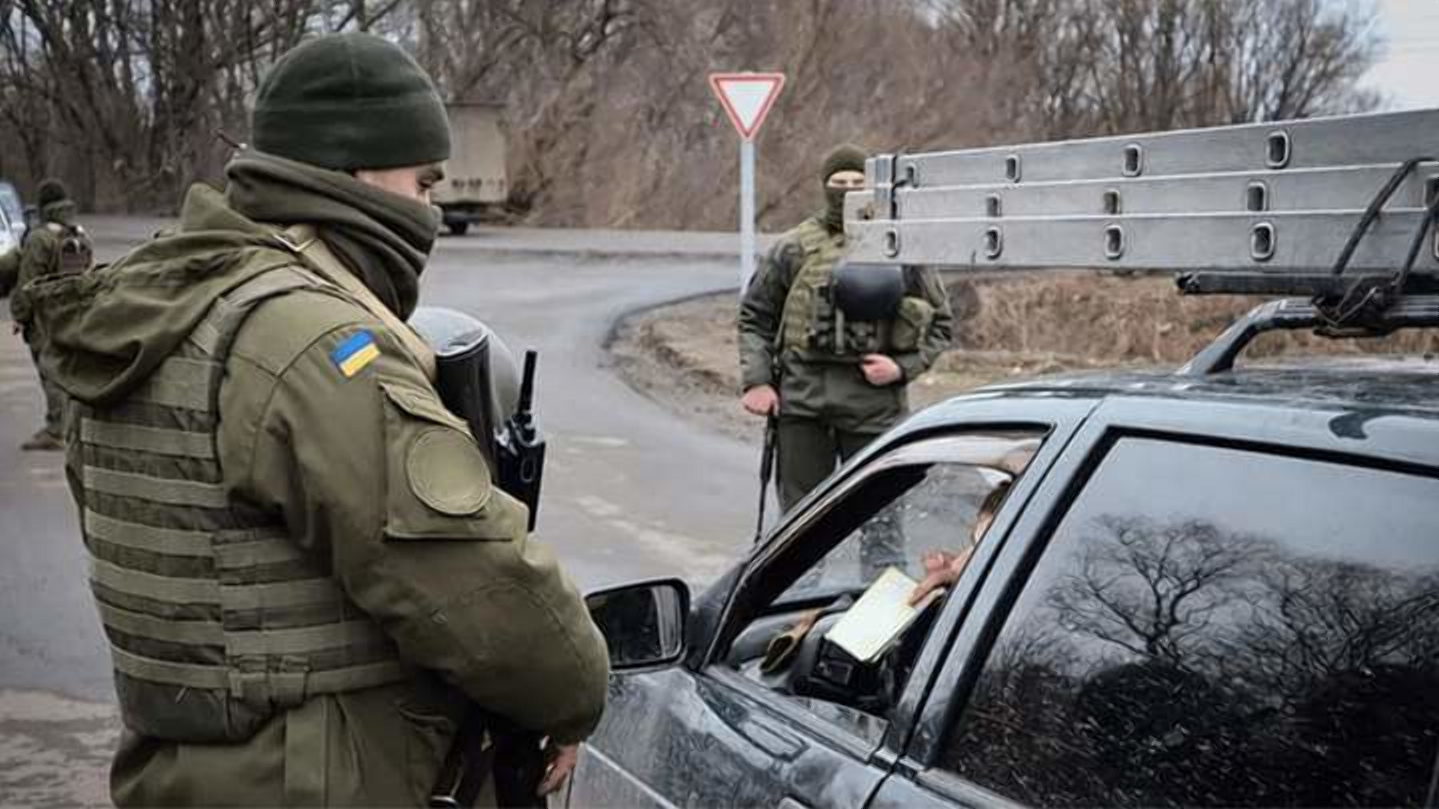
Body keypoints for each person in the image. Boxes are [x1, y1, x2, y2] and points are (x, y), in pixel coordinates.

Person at [29, 33, 608, 807]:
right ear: (356, 170)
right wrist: (570, 693)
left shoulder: (159, 307)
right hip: (315, 777)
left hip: (174, 771)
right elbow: (469, 584)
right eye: (423, 181)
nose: (430, 207)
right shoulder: (313, 342)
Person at [738, 143, 955, 573]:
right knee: (800, 526)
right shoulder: (794, 247)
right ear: (824, 187)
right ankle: (795, 618)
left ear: (872, 186)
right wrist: (758, 381)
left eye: (858, 183)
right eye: (839, 183)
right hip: (803, 403)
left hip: (875, 405)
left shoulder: (897, 245)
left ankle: (879, 624)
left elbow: (941, 324)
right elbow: (755, 316)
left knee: (881, 521)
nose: (848, 191)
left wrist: (902, 368)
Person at [9, 177, 91, 450]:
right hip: (74, 315)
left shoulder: (40, 238)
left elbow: (28, 282)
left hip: (45, 318)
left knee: (50, 373)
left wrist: (20, 315)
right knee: (70, 372)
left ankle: (57, 430)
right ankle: (72, 426)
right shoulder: (78, 234)